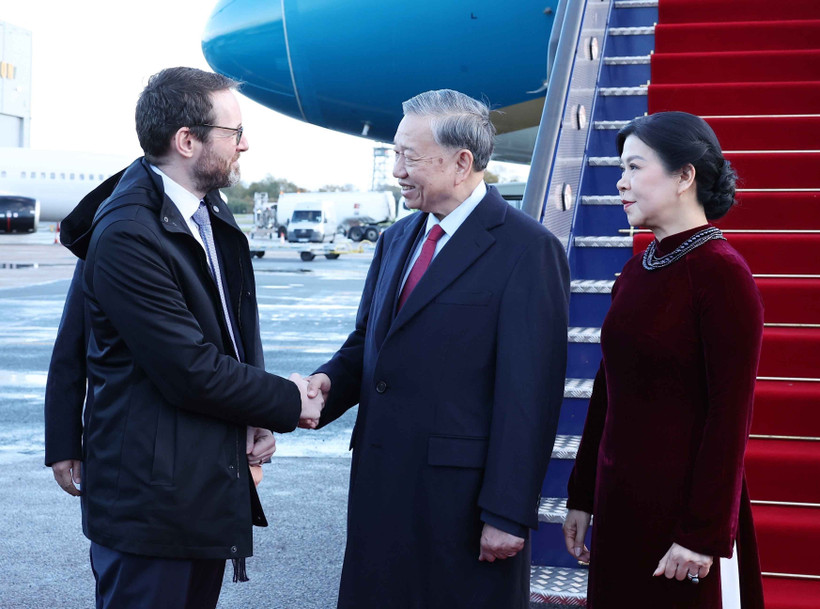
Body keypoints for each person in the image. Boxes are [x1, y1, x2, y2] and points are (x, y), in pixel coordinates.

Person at [47, 66, 323, 609]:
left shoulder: (202, 211)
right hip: (151, 497)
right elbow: (188, 369)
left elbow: (231, 329)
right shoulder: (128, 230)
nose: (245, 144)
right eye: (234, 132)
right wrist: (289, 400)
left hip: (194, 481)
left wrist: (254, 416)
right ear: (186, 141)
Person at [302, 89, 570, 609]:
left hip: (460, 509)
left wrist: (508, 512)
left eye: (410, 156)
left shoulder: (528, 249)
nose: (396, 170)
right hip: (381, 490)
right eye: (395, 153)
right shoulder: (396, 239)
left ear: (461, 163)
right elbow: (369, 343)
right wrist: (326, 384)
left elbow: (530, 395)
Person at [562, 111, 765, 609]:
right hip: (621, 506)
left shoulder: (722, 274)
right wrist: (583, 496)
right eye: (621, 169)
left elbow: (729, 417)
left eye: (634, 167)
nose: (621, 182)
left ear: (684, 176)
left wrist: (701, 534)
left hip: (684, 525)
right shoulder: (637, 269)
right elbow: (607, 392)